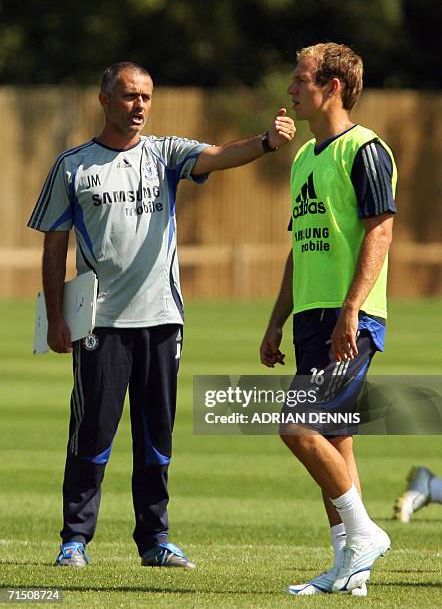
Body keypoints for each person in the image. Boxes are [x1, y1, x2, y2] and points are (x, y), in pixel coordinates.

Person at [28, 61, 295, 569]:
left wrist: (265, 142)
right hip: (99, 326)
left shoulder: (165, 154)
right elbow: (53, 242)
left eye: (146, 97)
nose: (139, 107)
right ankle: (75, 541)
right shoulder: (73, 165)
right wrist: (58, 317)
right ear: (105, 100)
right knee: (91, 437)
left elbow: (217, 155)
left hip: (162, 321)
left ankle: (155, 540)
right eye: (129, 96)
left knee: (156, 438)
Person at [259, 43, 397, 595]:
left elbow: (380, 231)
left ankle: (364, 535)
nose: (291, 90)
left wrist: (351, 311)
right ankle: (350, 573)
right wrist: (275, 321)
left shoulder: (365, 151)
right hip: (311, 318)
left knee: (296, 426)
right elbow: (300, 248)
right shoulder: (303, 159)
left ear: (332, 86)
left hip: (350, 320)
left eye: (300, 80)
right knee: (336, 444)